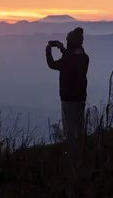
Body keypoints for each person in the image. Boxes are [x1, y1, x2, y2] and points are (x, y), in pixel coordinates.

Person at [45, 27, 89, 163]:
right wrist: (62, 49)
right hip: (81, 96)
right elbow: (73, 57)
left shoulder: (67, 60)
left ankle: (71, 156)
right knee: (80, 125)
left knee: (69, 127)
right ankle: (82, 153)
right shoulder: (84, 58)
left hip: (68, 98)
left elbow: (52, 64)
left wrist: (49, 49)